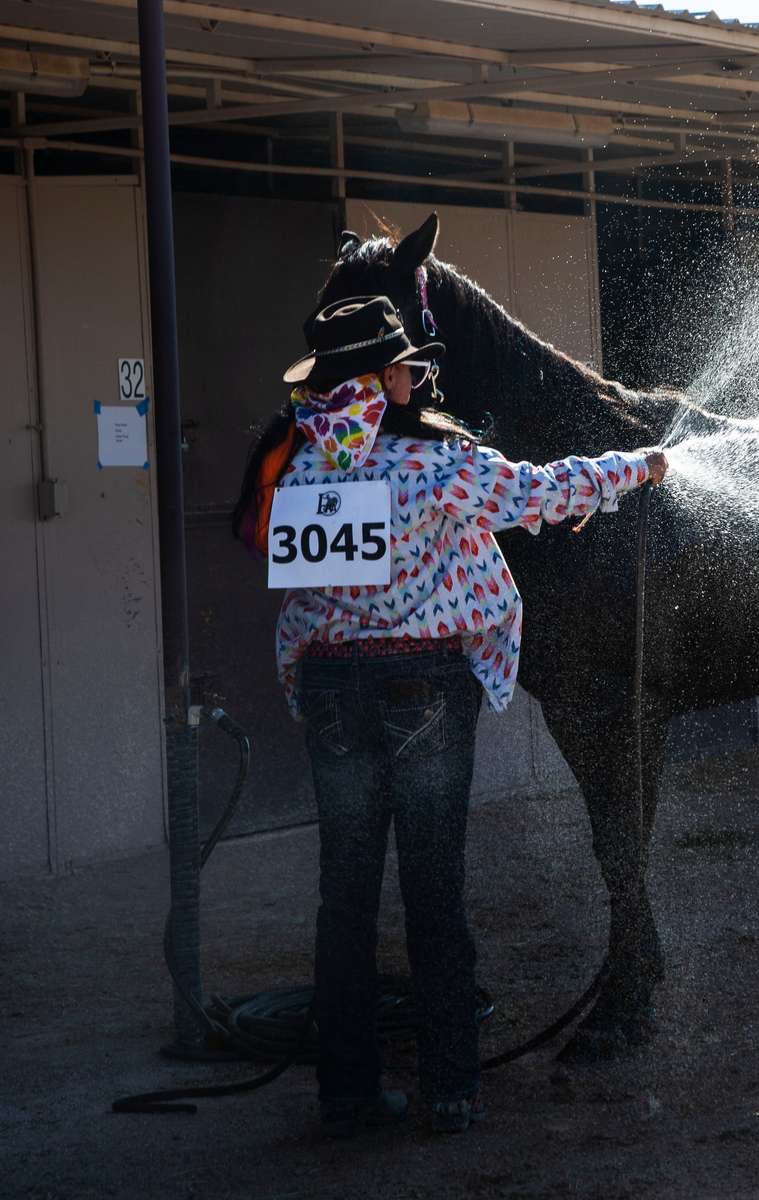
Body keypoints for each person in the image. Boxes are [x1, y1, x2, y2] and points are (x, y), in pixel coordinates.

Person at [232, 295, 665, 1137]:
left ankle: (348, 1094)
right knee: (436, 892)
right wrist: (638, 466)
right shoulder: (432, 464)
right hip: (421, 687)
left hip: (328, 689)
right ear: (386, 378)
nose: (414, 376)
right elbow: (542, 491)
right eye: (403, 366)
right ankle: (453, 1090)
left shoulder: (294, 467)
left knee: (343, 901)